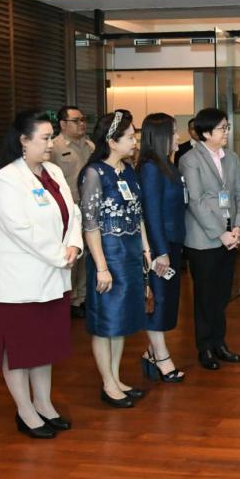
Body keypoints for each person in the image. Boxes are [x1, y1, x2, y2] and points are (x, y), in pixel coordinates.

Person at [0, 110, 83, 438]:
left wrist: (74, 245)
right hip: (16, 283)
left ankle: (44, 404)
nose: (51, 144)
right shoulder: (7, 179)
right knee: (19, 350)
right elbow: (20, 230)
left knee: (44, 347)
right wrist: (60, 255)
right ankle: (25, 411)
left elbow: (73, 212)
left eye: (52, 137)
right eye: (45, 138)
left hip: (51, 277)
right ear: (23, 141)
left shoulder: (53, 171)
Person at [80, 109, 149, 408]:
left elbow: (138, 214)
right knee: (105, 321)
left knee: (121, 321)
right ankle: (107, 383)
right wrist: (101, 267)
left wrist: (146, 250)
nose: (135, 142)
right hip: (108, 256)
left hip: (130, 254)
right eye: (130, 137)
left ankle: (116, 377)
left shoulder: (128, 171)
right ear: (111, 140)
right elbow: (90, 224)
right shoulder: (94, 174)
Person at [179, 107, 240, 370]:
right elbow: (196, 201)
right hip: (204, 238)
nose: (226, 132)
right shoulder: (190, 159)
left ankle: (220, 343)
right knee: (205, 296)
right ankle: (205, 347)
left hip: (230, 235)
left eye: (227, 127)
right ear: (206, 132)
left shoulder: (231, 157)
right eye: (222, 128)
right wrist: (220, 233)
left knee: (222, 294)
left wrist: (239, 227)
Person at [137, 113, 187, 383]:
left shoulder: (167, 165)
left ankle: (151, 353)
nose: (178, 137)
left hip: (173, 242)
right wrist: (160, 251)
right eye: (174, 132)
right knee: (158, 301)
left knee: (168, 301)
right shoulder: (150, 168)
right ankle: (162, 358)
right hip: (161, 246)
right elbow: (151, 213)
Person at [50, 105, 94, 318]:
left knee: (86, 255)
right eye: (76, 120)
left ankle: (82, 298)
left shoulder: (90, 146)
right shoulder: (54, 148)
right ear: (63, 124)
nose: (82, 124)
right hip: (67, 211)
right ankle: (68, 298)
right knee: (70, 255)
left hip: (89, 208)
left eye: (83, 120)